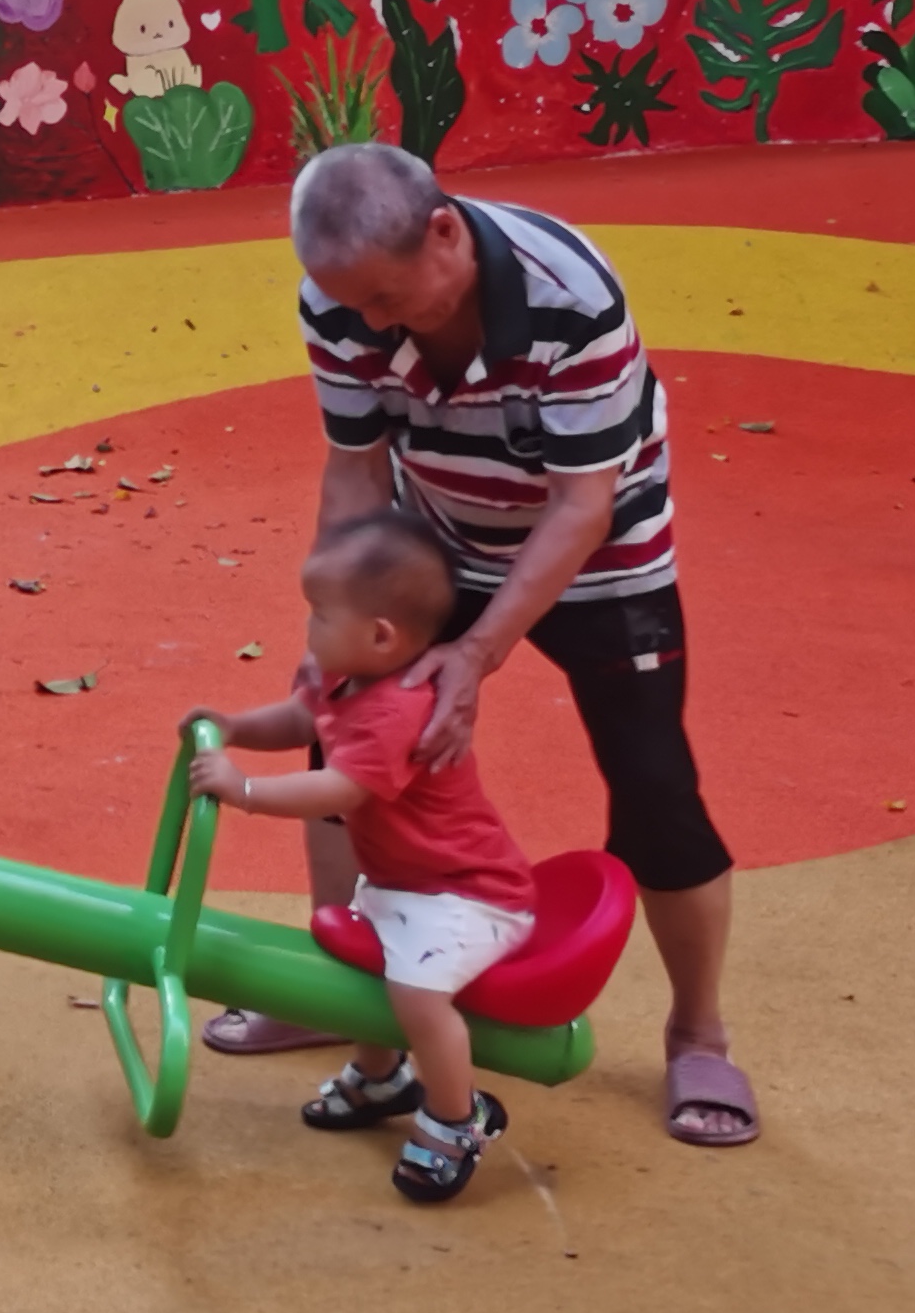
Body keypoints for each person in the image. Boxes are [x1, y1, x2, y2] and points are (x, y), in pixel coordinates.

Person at [264, 142, 756, 1149]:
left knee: (655, 785)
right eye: (352, 304)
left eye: (389, 299)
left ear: (444, 232)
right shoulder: (341, 297)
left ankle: (698, 1033)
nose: (372, 325)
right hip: (433, 542)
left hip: (601, 554)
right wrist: (339, 622)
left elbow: (582, 507)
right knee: (344, 737)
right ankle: (338, 987)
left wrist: (478, 654)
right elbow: (355, 467)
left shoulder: (569, 294)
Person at [190, 510, 542, 1203]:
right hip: (407, 884)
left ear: (382, 635)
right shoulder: (345, 678)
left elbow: (340, 786)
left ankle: (456, 1117)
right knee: (362, 967)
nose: (308, 628)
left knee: (417, 992)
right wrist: (233, 727)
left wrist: (245, 789)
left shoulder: (396, 712)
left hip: (469, 894)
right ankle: (382, 1079)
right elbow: (302, 719)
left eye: (321, 615)